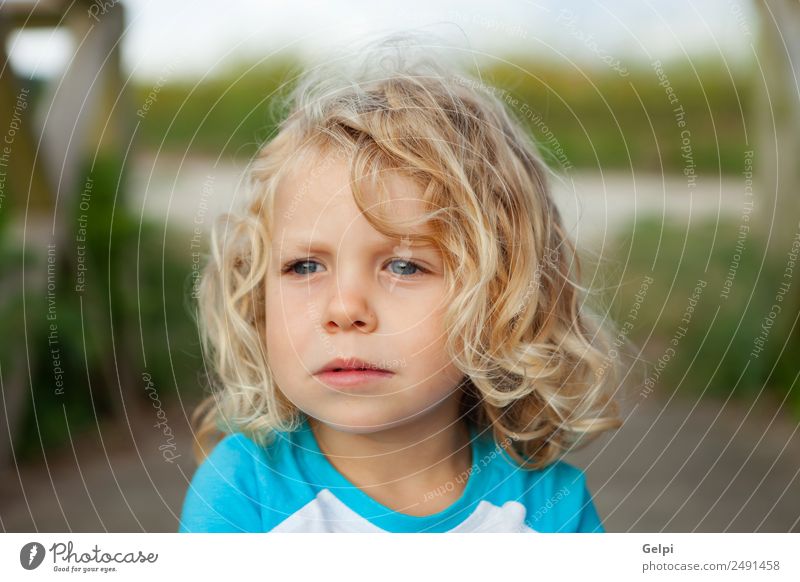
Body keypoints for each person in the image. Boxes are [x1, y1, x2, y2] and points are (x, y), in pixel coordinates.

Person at [178, 34, 623, 533]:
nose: (344, 308)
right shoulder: (243, 491)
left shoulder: (548, 509)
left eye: (405, 267)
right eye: (305, 267)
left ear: (502, 296)